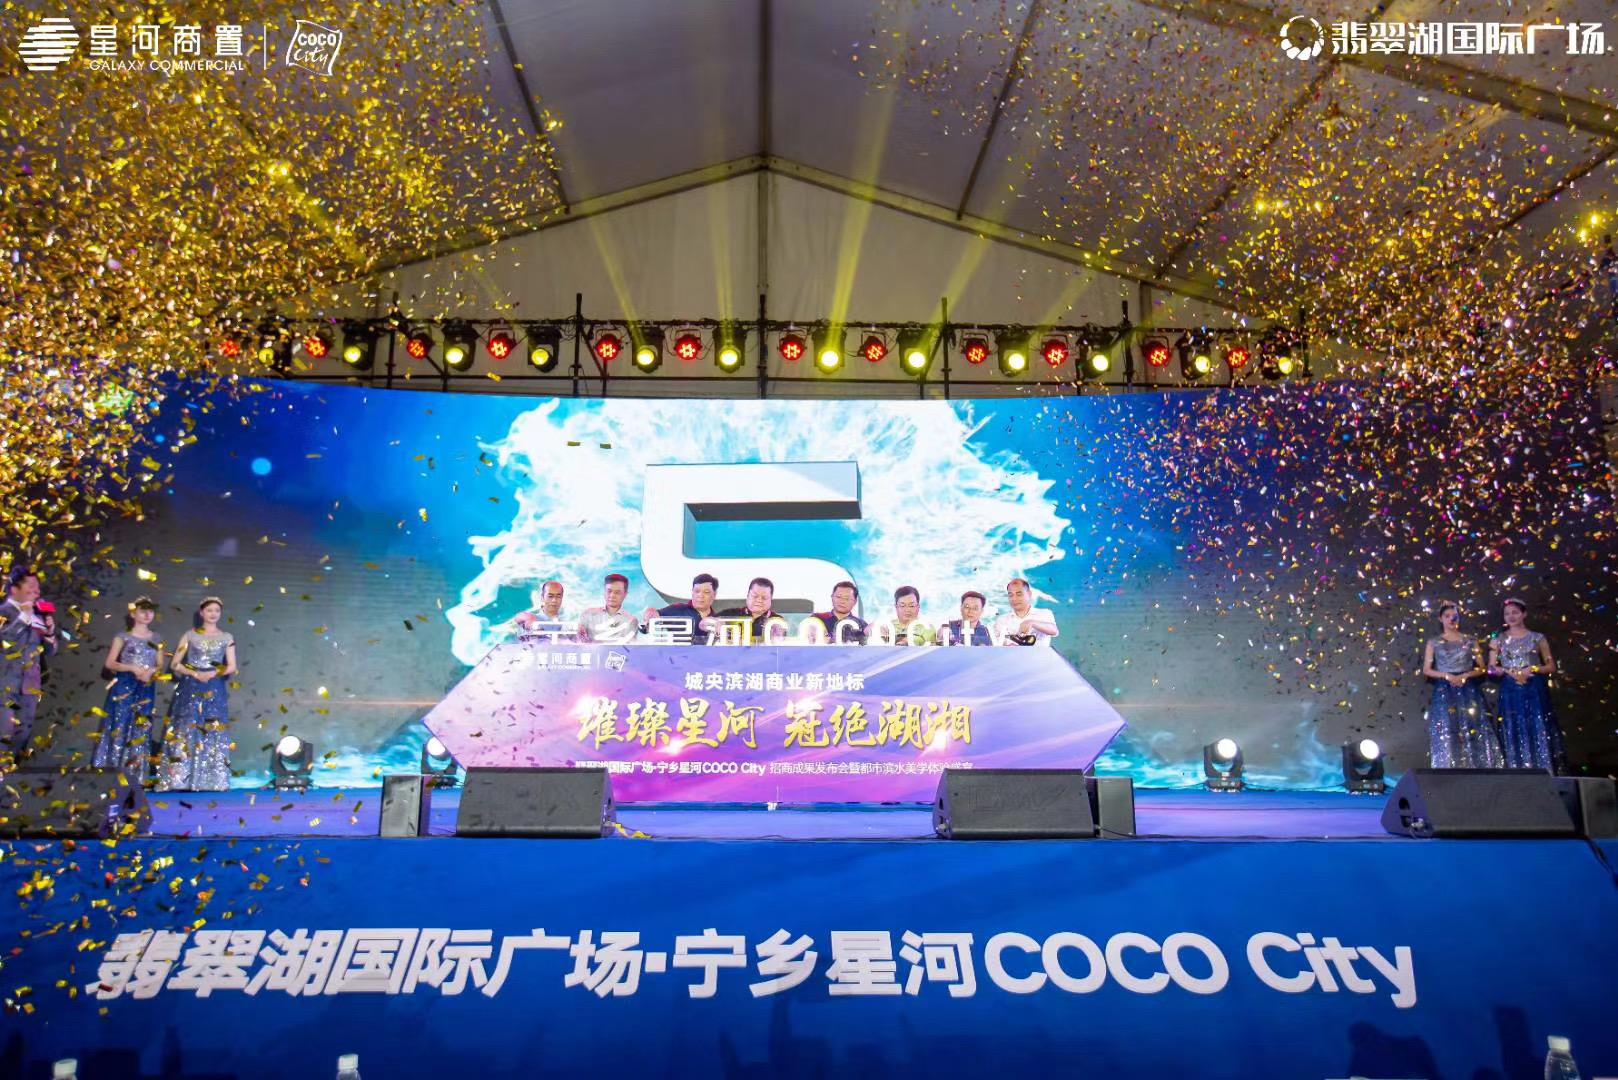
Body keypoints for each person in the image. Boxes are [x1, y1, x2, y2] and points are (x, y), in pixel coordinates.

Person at [161, 596, 237, 792]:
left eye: (217, 611)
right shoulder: (190, 635)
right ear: (202, 612)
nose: (213, 614)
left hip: (214, 686)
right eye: (209, 610)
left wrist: (213, 673)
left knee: (213, 727)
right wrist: (195, 673)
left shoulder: (227, 637)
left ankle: (213, 780)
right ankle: (180, 779)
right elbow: (175, 664)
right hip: (191, 686)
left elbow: (231, 666)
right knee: (187, 726)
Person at [1488, 598, 1567, 773]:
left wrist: (1533, 668)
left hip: (1533, 688)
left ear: (1524, 614)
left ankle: (1545, 769)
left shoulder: (1538, 638)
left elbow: (1551, 666)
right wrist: (1509, 671)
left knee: (1538, 725)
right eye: (1507, 614)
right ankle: (1516, 770)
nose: (1511, 616)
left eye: (1515, 612)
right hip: (1511, 689)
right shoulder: (1498, 639)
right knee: (1514, 725)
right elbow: (1491, 668)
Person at [93, 596, 164, 784]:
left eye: (150, 611)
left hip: (145, 686)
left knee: (141, 726)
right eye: (143, 611)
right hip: (125, 684)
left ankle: (136, 775)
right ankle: (112, 773)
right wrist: (132, 668)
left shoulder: (156, 638)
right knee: (119, 724)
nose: (147, 614)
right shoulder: (122, 636)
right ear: (133, 614)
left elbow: (160, 664)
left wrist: (151, 672)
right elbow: (110, 663)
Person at [1421, 602, 1500, 768]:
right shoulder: (1434, 642)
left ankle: (1477, 765)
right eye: (1447, 616)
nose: (1451, 619)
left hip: (1467, 688)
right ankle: (1448, 767)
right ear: (1440, 619)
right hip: (1445, 688)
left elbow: (1482, 667)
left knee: (1473, 725)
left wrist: (1465, 675)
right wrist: (1447, 676)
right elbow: (1427, 670)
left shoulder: (1470, 640)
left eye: (1454, 616)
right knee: (1447, 726)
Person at [0, 566, 58, 762]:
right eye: (31, 587)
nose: (37, 592)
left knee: (23, 733)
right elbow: (4, 638)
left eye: (38, 588)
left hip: (30, 685)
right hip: (5, 683)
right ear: (14, 589)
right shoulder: (3, 612)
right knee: (4, 730)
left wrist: (50, 632)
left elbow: (50, 650)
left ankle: (9, 773)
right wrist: (23, 617)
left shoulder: (37, 616)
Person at [641, 573, 721, 645]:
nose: (700, 595)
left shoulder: (719, 620)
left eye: (706, 592)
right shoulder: (678, 610)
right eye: (697, 591)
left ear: (714, 595)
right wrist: (650, 614)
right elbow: (654, 614)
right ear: (692, 592)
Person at [717, 577, 788, 644]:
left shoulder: (777, 621)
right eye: (755, 596)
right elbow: (711, 621)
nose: (759, 600)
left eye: (764, 598)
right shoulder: (729, 615)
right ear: (748, 596)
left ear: (771, 599)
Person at [994, 578, 1060, 647]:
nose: (1014, 599)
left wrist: (1032, 623)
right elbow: (998, 642)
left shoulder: (1044, 613)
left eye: (1019, 594)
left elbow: (1054, 631)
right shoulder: (1002, 620)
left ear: (1029, 594)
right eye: (1010, 595)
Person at [576, 573, 639, 644]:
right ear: (604, 592)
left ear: (625, 594)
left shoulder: (631, 620)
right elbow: (579, 643)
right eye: (609, 591)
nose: (612, 595)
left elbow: (630, 647)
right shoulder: (588, 615)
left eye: (617, 593)